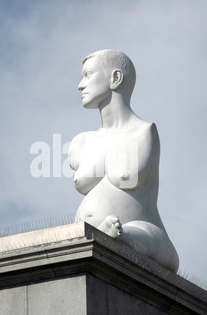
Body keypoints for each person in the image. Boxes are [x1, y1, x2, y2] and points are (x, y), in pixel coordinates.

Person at [68, 50, 179, 272]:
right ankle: (104, 235)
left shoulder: (144, 132)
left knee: (139, 236)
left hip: (145, 233)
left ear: (115, 78)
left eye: (88, 75)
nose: (81, 85)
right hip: (86, 239)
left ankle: (118, 236)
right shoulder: (81, 142)